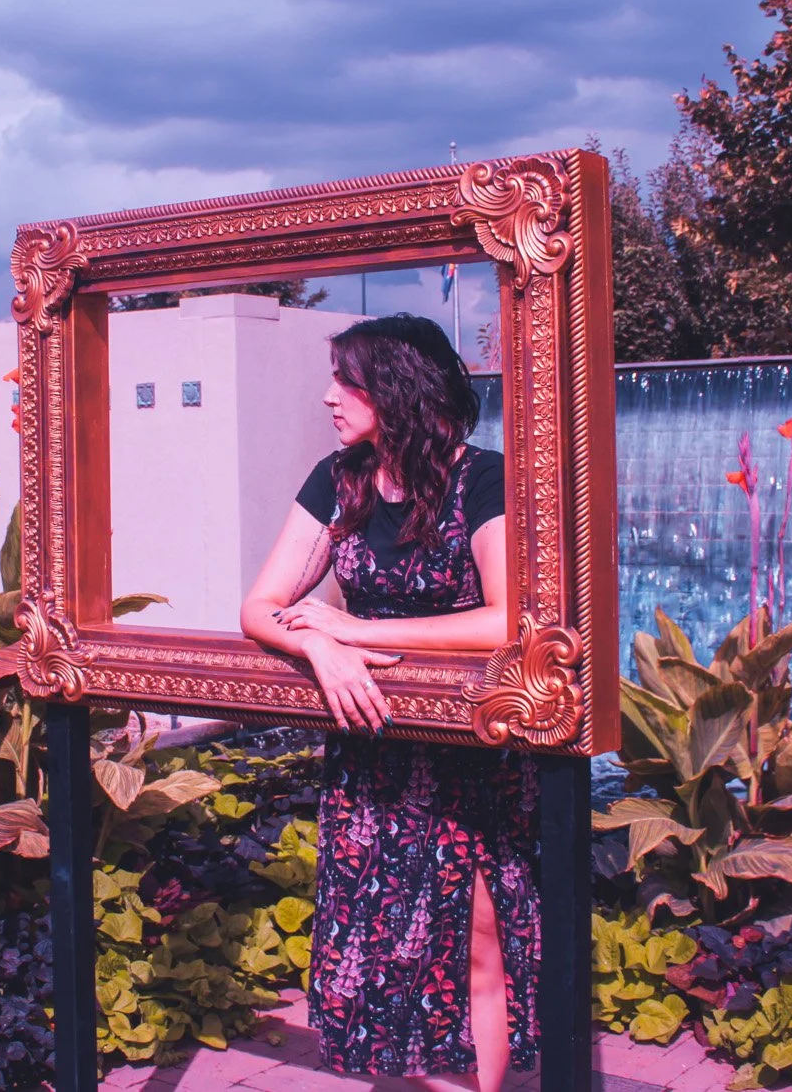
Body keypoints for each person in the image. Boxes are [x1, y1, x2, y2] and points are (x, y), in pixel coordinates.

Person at [240, 313, 537, 1092]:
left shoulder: (485, 479)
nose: (329, 397)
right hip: (373, 748)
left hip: (470, 752)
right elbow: (263, 604)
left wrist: (355, 623)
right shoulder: (337, 479)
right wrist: (319, 645)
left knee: (474, 943)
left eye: (348, 380)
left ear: (399, 386)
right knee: (386, 945)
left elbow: (507, 618)